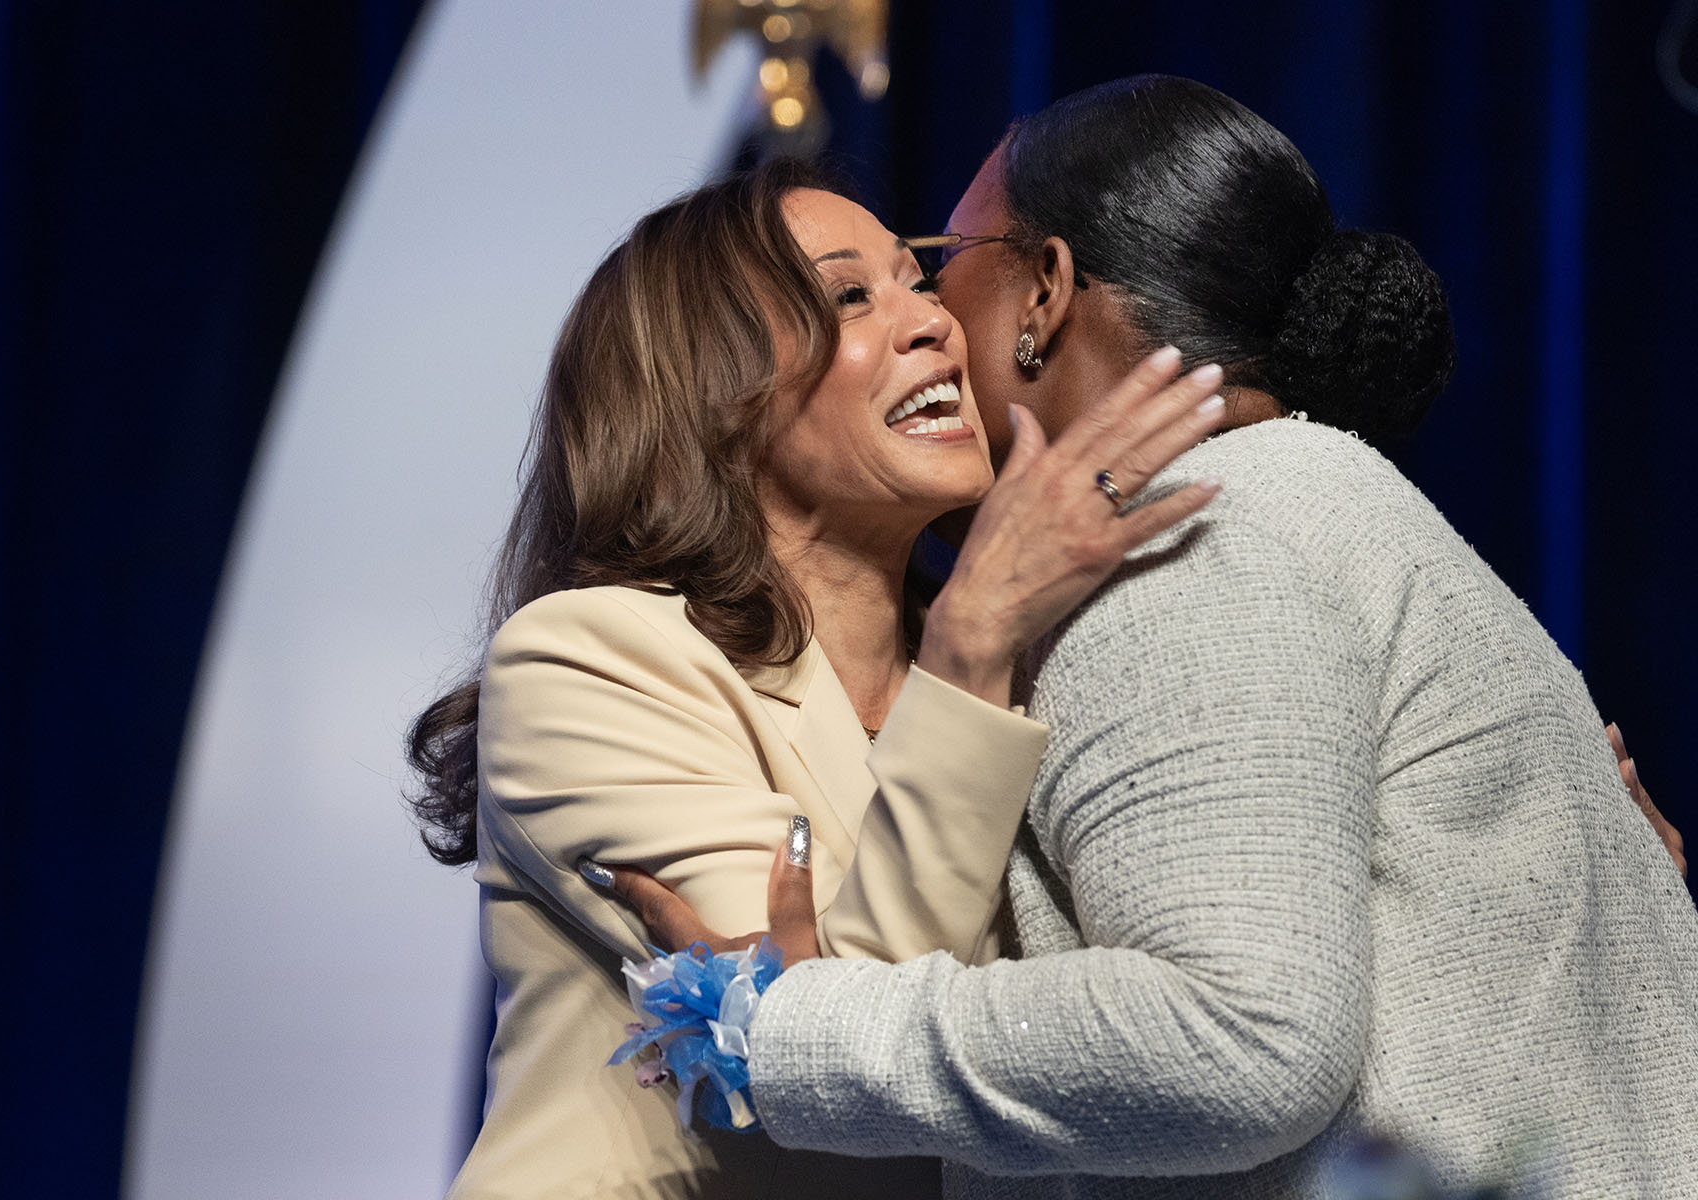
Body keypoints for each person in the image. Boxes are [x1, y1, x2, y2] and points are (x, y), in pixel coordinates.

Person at [607, 77, 1698, 1197]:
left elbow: (1240, 1038)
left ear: (1044, 290)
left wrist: (798, 1029)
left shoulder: (1184, 541)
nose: (931, 315)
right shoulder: (1303, 499)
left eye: (946, 263)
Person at [405, 159, 1229, 1199]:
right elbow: (841, 1054)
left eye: (917, 281)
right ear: (714, 393)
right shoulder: (586, 659)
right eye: (849, 297)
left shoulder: (1032, 667)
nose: (930, 323)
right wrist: (970, 639)